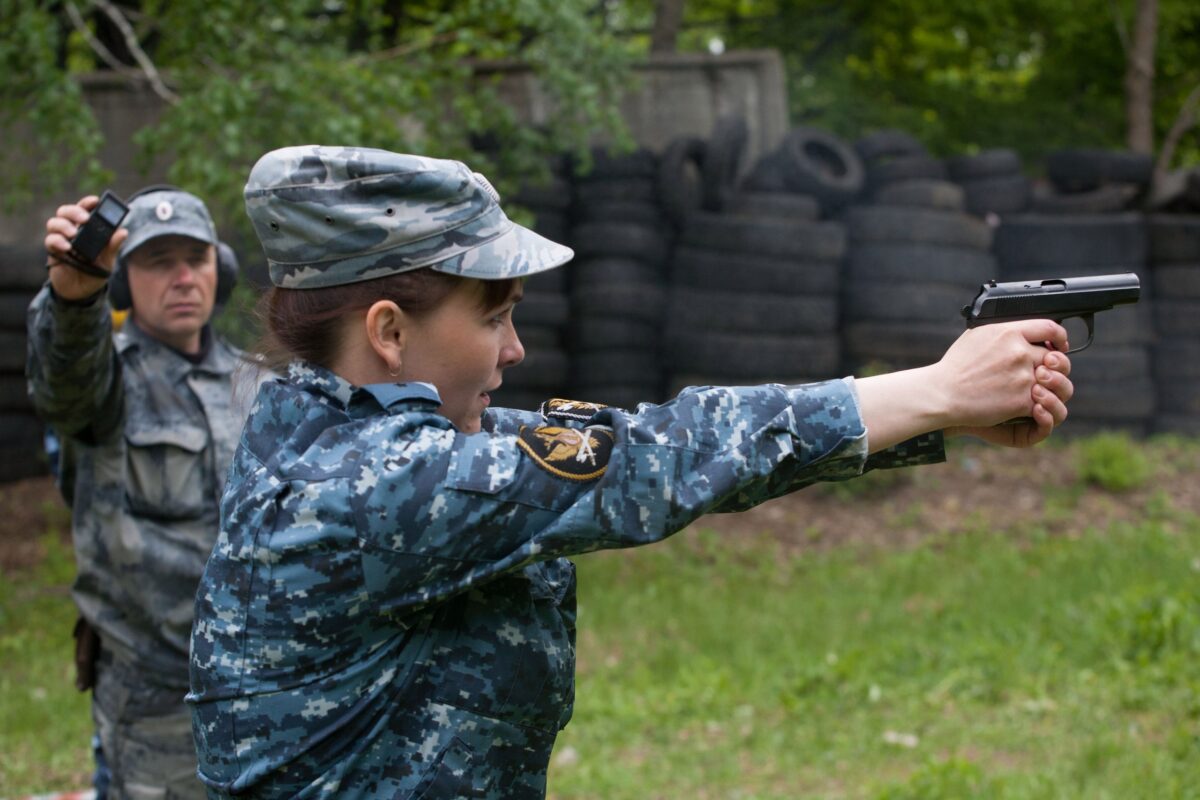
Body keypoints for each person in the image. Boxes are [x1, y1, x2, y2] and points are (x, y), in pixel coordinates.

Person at [187, 146, 1073, 799]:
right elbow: (654, 460)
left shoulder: (338, 437)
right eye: (494, 316)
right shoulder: (364, 488)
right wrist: (932, 390)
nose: (516, 348)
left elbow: (627, 442)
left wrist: (938, 411)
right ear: (387, 331)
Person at [28, 186, 251, 800]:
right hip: (154, 700)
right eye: (158, 262)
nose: (182, 277)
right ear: (124, 281)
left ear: (219, 270)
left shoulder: (258, 384)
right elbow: (64, 381)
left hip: (261, 689)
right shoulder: (108, 382)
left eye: (195, 259)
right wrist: (74, 298)